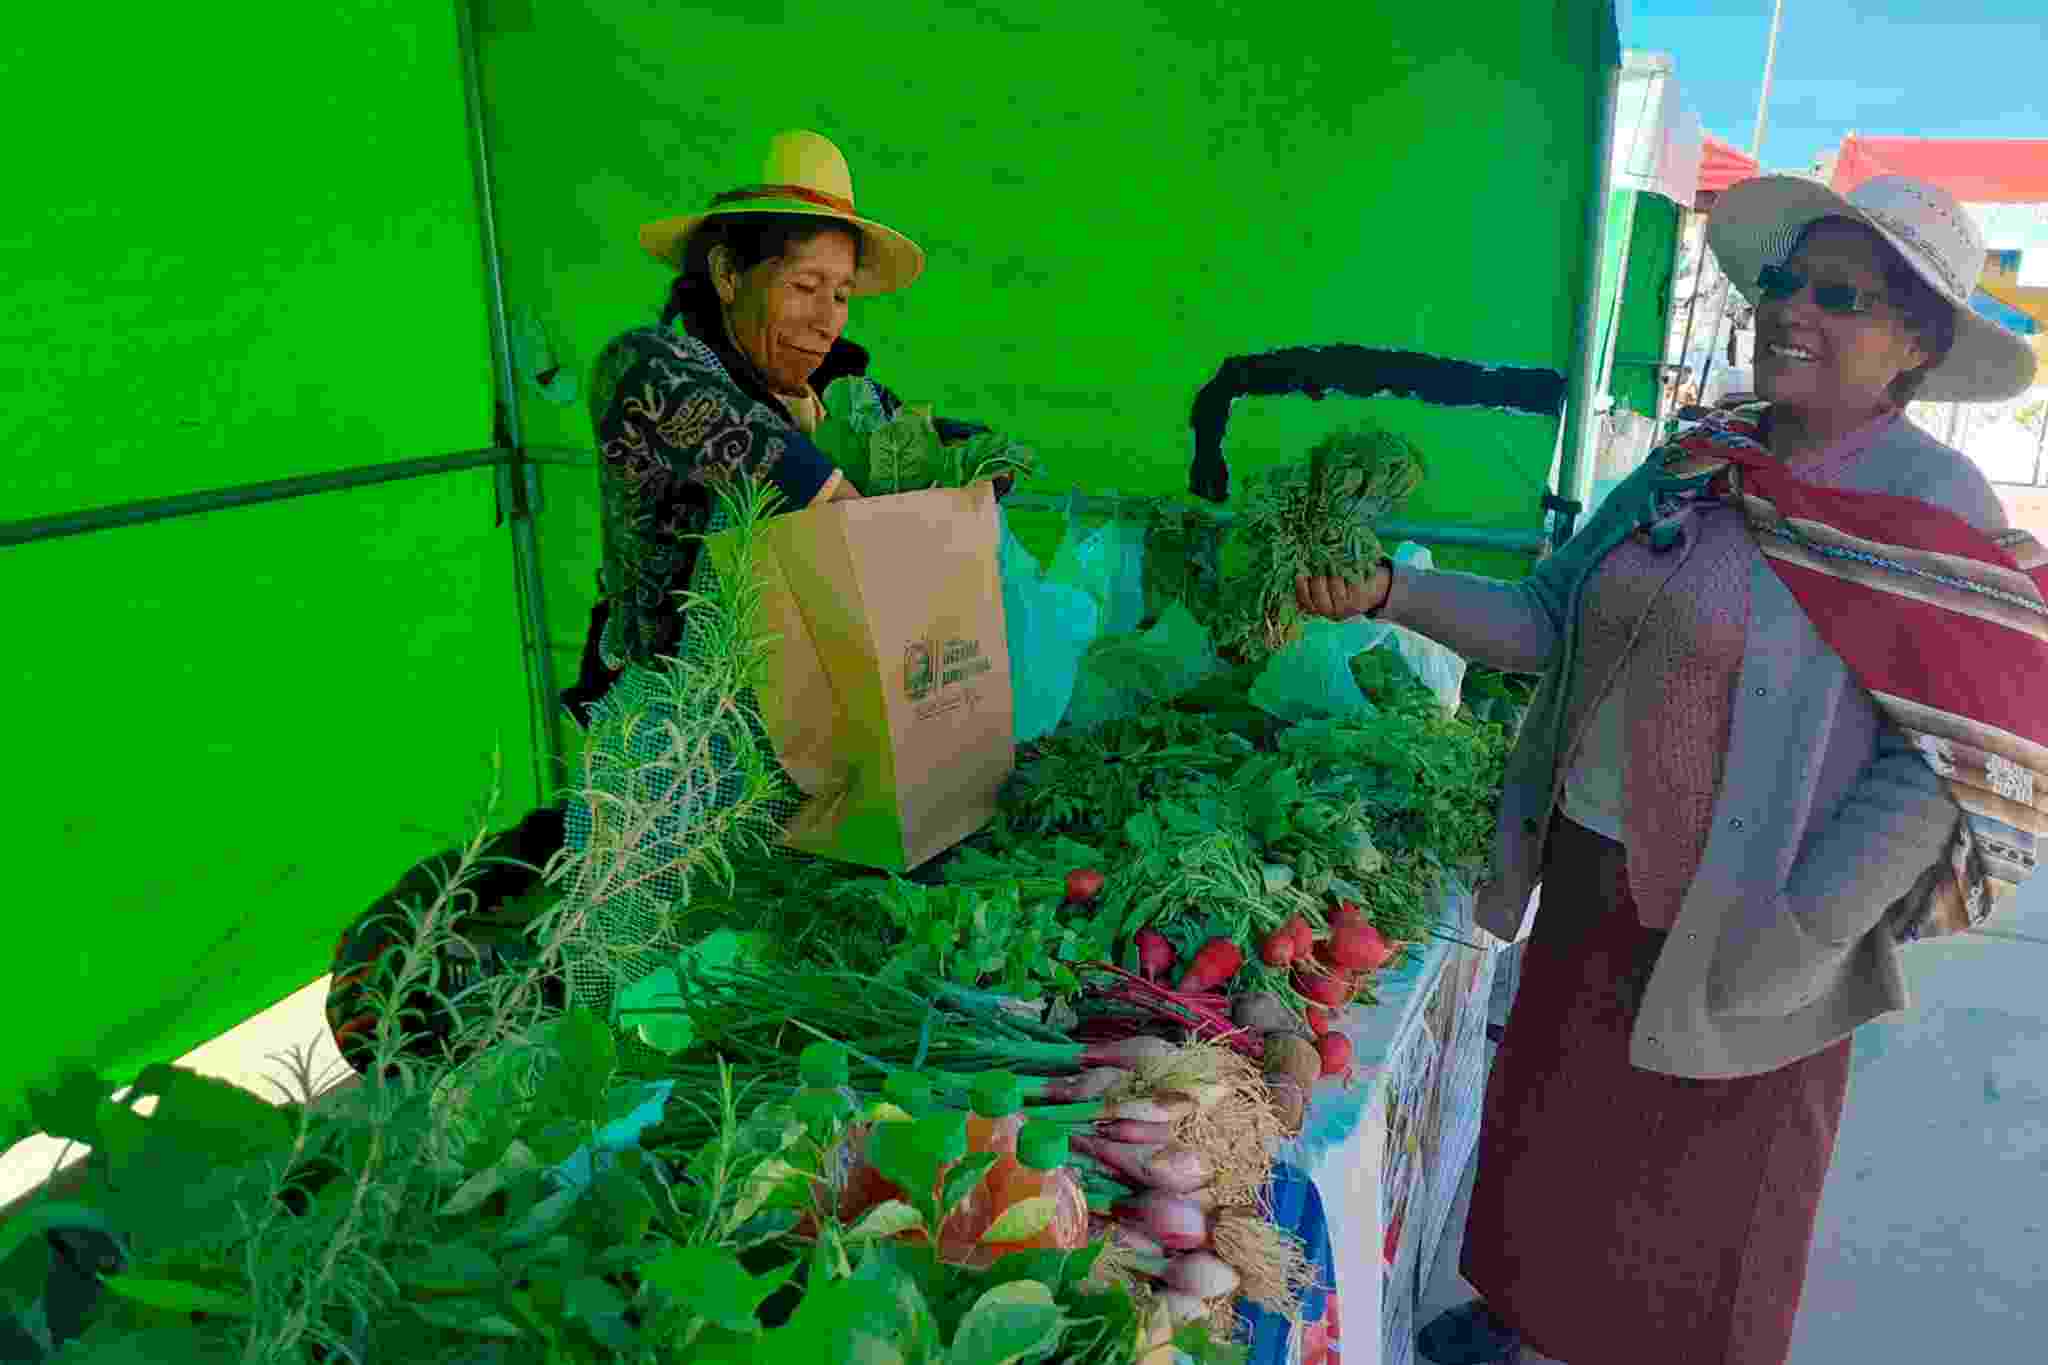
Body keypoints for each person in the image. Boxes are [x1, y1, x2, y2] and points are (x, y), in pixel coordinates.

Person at [1298, 173, 2044, 1365]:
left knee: (1707, 1207)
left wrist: (1805, 926)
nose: (1787, 308)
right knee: (1553, 1132)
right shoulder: (1694, 462)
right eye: (1778, 282)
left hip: (1755, 915)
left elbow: (1948, 758)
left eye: (1836, 295)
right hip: (1593, 871)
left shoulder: (1934, 509)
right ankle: (1522, 1325)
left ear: (1912, 344)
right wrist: (1389, 590)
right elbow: (1545, 618)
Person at [555, 128, 998, 1017]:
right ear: (727, 274)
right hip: (673, 753)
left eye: (841, 294)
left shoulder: (839, 399)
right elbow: (744, 444)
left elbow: (950, 445)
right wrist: (832, 480)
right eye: (803, 286)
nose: (829, 317)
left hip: (805, 745)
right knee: (639, 997)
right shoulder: (653, 366)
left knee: (763, 1001)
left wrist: (972, 473)